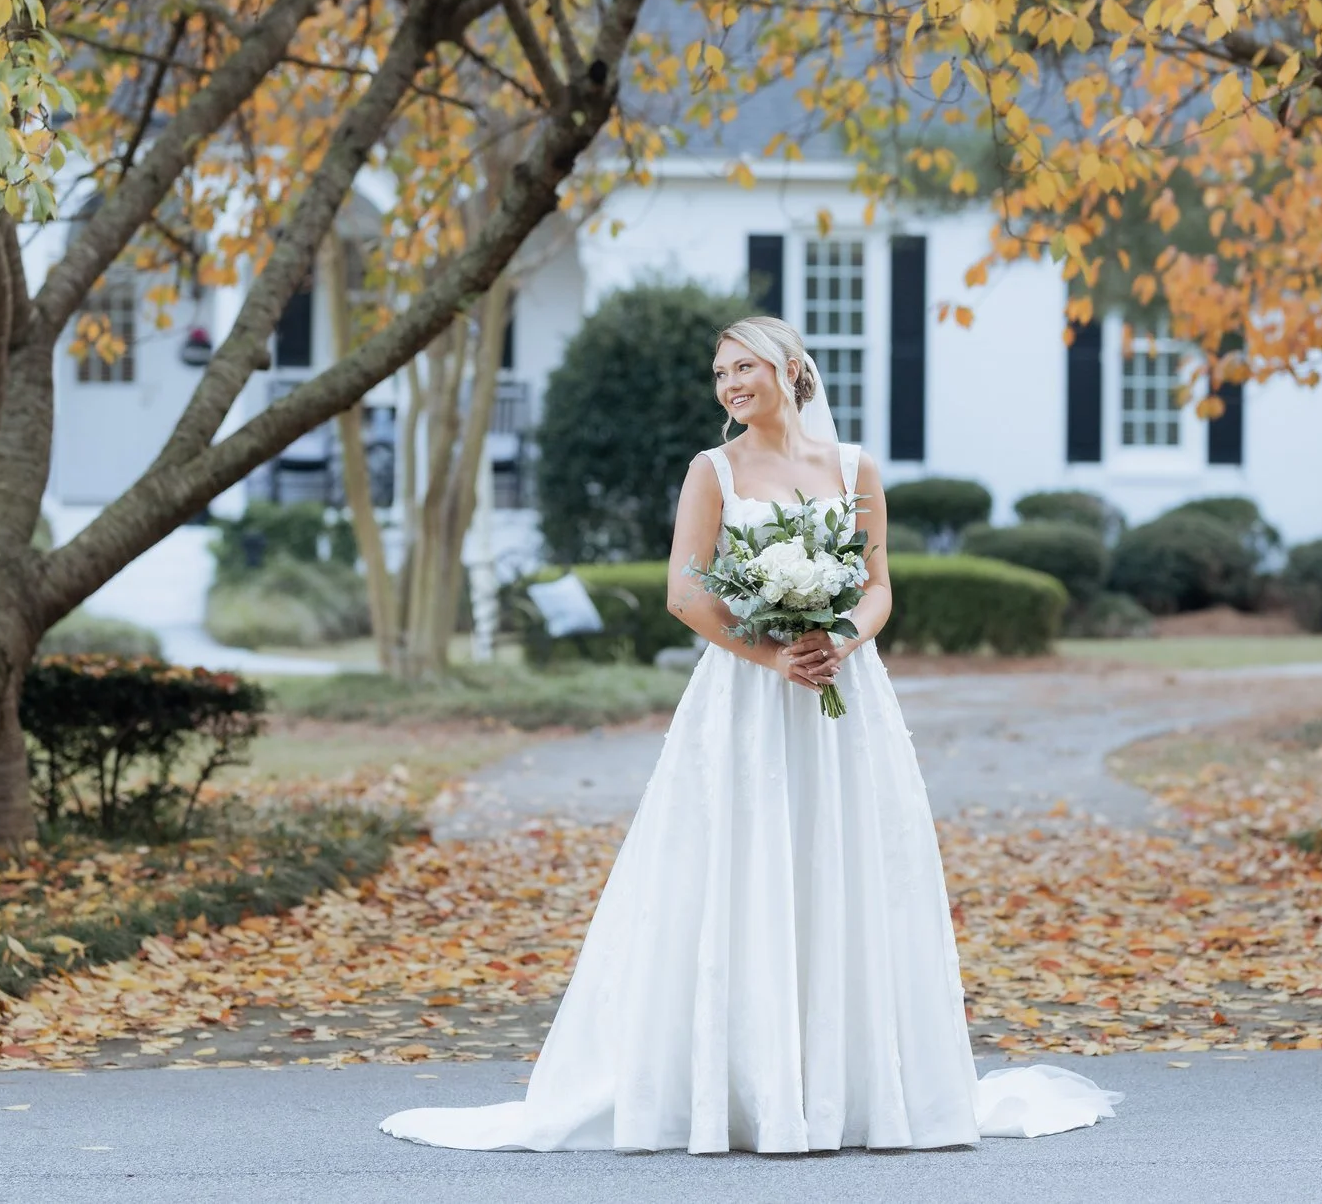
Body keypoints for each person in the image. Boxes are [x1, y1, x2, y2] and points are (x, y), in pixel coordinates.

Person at [381, 316, 1121, 1153]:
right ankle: (738, 1085)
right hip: (746, 697)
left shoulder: (855, 468)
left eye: (745, 366)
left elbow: (878, 585)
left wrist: (841, 638)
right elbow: (685, 592)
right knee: (741, 865)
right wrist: (771, 654)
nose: (730, 383)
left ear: (791, 369)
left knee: (840, 862)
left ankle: (848, 1085)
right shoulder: (714, 470)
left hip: (844, 695)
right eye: (720, 371)